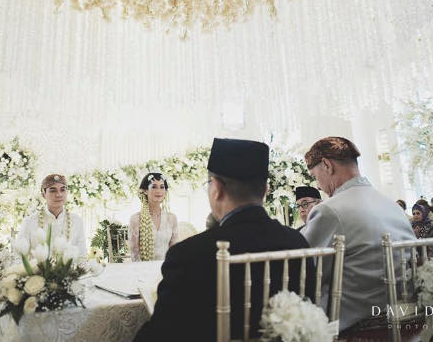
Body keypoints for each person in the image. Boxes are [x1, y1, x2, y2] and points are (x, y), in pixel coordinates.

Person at [134, 138, 314, 342]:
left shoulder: (188, 254)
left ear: (216, 188)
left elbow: (161, 333)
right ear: (265, 189)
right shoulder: (297, 243)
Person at [301, 136, 416, 332]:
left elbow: (305, 270)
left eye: (314, 176)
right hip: (403, 318)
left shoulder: (329, 210)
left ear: (327, 165)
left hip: (352, 324)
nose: (318, 185)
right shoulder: (393, 206)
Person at [16, 174, 86, 258]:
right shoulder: (29, 222)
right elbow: (19, 257)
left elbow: (82, 256)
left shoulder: (76, 221)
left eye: (62, 190)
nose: (59, 194)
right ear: (43, 194)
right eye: (53, 191)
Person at [129, 172, 178, 261]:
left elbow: (174, 251)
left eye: (162, 187)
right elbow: (134, 253)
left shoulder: (172, 218)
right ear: (145, 191)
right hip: (144, 268)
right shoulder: (136, 219)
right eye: (154, 187)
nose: (158, 191)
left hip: (167, 267)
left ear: (165, 191)